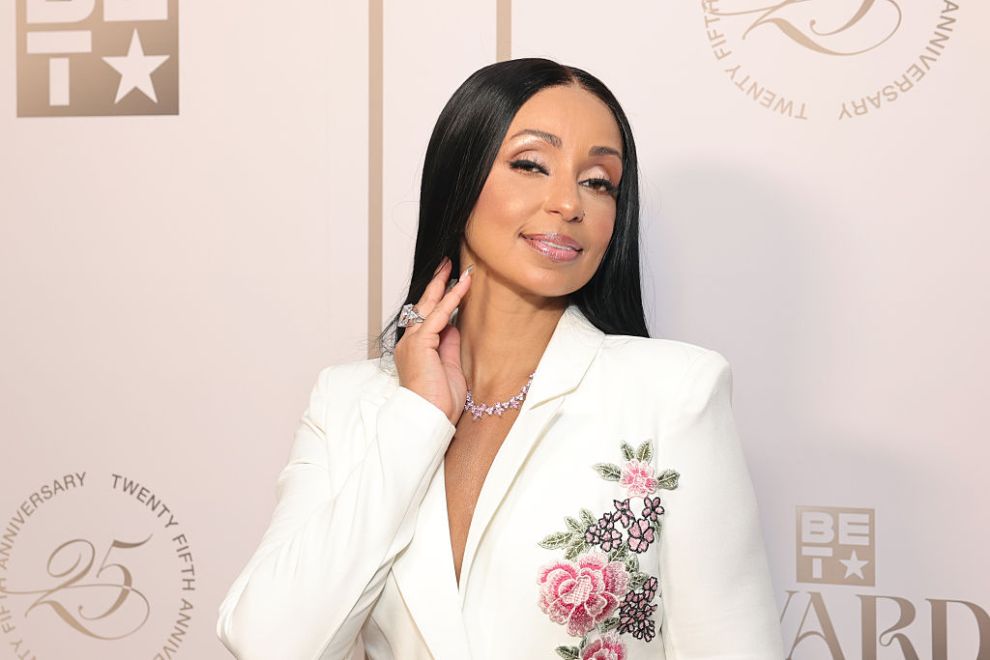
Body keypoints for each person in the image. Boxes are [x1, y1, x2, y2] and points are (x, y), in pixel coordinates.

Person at [216, 57, 785, 660]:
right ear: (458, 178)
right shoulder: (348, 401)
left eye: (598, 181)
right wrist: (417, 417)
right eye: (531, 165)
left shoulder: (673, 395)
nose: (568, 203)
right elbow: (269, 644)